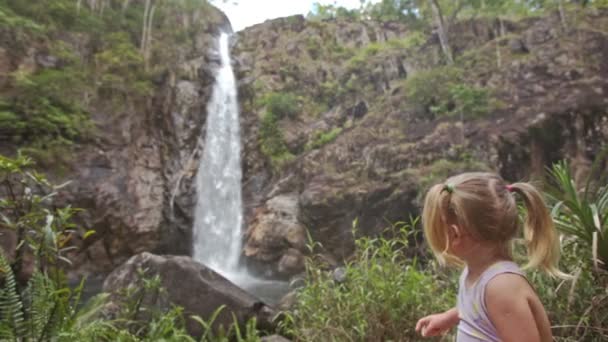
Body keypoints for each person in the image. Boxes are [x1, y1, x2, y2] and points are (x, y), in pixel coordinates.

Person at [415, 172, 569, 341]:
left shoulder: (502, 287)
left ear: (455, 234)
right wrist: (450, 317)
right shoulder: (475, 272)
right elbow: (478, 310)